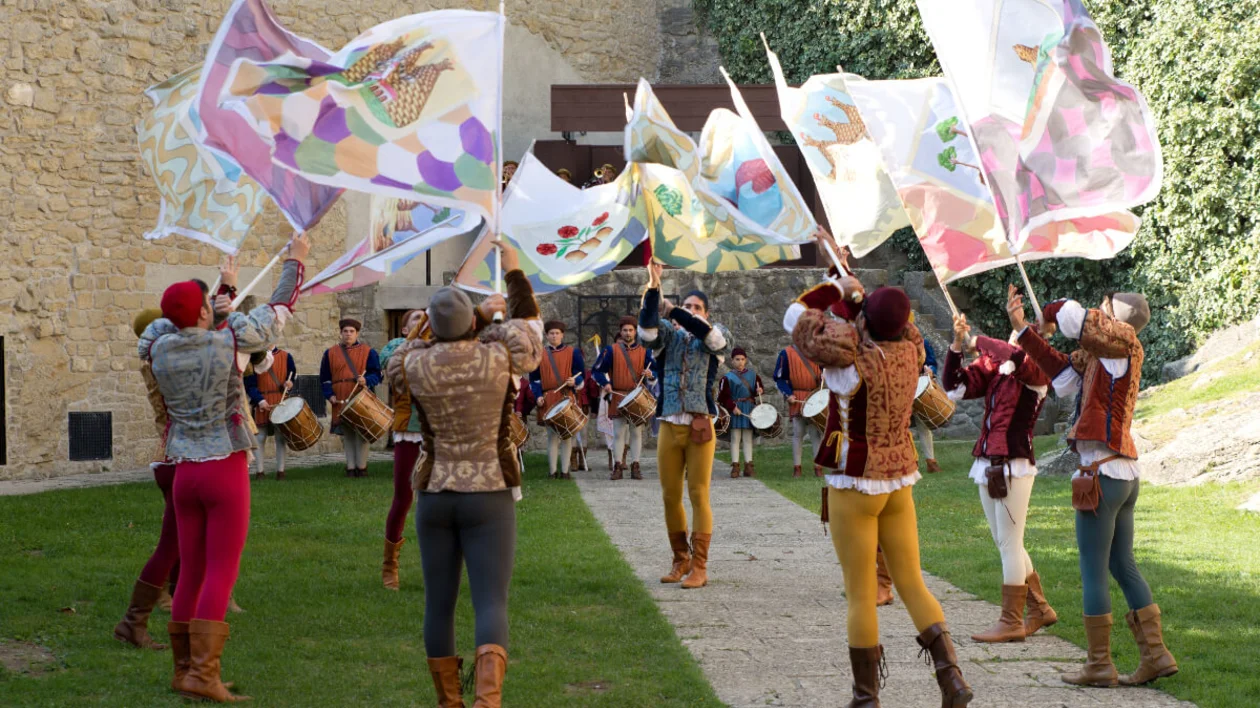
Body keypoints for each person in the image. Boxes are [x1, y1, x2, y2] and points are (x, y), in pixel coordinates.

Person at [785, 228, 972, 707]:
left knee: (860, 595)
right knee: (911, 581)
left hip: (855, 482)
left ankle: (866, 699)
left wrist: (836, 289)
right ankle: (952, 679)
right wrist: (846, 277)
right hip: (899, 479)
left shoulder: (849, 356)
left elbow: (800, 320)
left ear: (864, 320)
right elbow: (886, 319)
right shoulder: (910, 348)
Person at [138, 234, 309, 702]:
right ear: (202, 314)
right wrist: (295, 260)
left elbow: (161, 327)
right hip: (224, 467)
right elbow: (277, 311)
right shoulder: (229, 340)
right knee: (220, 571)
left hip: (184, 469)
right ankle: (203, 673)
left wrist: (220, 294)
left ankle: (183, 670)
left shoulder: (156, 348)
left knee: (190, 568)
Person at [387, 242, 543, 708]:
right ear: (474, 324)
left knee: (439, 603)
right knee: (490, 601)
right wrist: (512, 275)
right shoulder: (499, 357)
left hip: (434, 492)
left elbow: (410, 345)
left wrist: (461, 315)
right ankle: (487, 702)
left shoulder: (411, 363)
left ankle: (450, 702)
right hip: (490, 491)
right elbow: (528, 331)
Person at [1011, 286, 1177, 687]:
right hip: (1120, 473)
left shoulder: (1120, 341)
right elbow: (1066, 378)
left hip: (1101, 475)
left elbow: (1073, 316)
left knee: (1094, 572)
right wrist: (1026, 332)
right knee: (1122, 565)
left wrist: (1048, 314)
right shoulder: (1109, 354)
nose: (1097, 312)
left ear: (1113, 318)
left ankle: (1099, 665)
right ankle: (1156, 656)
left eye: (1103, 308)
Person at [942, 315, 1058, 643]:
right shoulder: (998, 367)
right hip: (988, 463)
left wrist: (977, 341)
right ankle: (1039, 610)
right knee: (1007, 542)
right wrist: (956, 345)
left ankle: (1011, 621)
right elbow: (953, 387)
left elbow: (1017, 357)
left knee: (1009, 543)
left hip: (1013, 465)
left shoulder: (1037, 371)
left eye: (1023, 333)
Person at [640, 263, 731, 590]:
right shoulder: (668, 333)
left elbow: (712, 338)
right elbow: (646, 330)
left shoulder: (716, 335)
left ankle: (701, 566)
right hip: (669, 421)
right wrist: (654, 286)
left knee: (698, 493)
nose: (690, 312)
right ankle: (681, 559)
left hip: (699, 423)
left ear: (705, 312)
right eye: (688, 306)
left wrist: (677, 309)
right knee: (669, 495)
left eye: (696, 307)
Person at [113, 308, 183, 652]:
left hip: (174, 455)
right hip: (179, 457)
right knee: (173, 543)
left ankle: (170, 611)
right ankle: (135, 620)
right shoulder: (165, 363)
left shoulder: (159, 359)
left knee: (181, 540)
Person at [377, 309, 432, 591]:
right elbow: (391, 365)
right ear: (403, 328)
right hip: (408, 430)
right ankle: (390, 565)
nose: (422, 322)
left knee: (439, 501)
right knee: (403, 497)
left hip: (438, 432)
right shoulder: (396, 347)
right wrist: (417, 333)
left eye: (426, 317)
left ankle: (439, 567)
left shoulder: (437, 347)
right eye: (415, 319)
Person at [592, 315, 657, 480]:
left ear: (635, 332)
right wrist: (605, 383)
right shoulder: (610, 350)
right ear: (620, 332)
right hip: (618, 395)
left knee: (636, 433)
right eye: (625, 330)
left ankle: (636, 465)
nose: (628, 333)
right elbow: (597, 371)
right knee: (618, 433)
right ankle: (618, 465)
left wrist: (650, 374)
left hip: (637, 396)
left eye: (631, 330)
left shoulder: (645, 352)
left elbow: (657, 371)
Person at [320, 318, 382, 478]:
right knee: (347, 433)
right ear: (340, 333)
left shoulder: (369, 352)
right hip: (340, 396)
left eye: (351, 332)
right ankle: (350, 467)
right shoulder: (330, 353)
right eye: (345, 331)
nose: (348, 334)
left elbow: (378, 374)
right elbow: (325, 378)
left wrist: (366, 380)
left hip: (361, 396)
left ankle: (362, 468)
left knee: (362, 432)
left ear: (357, 333)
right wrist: (329, 394)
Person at [529, 321, 585, 480]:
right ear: (546, 335)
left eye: (557, 333)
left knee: (567, 435)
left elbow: (581, 374)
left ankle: (565, 471)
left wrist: (575, 381)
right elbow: (534, 380)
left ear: (562, 335)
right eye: (551, 333)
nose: (554, 336)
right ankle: (552, 471)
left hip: (567, 396)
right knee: (552, 436)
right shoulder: (539, 354)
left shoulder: (573, 352)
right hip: (548, 398)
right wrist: (538, 395)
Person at [243, 345, 296, 481]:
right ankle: (260, 472)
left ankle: (281, 471)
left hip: (280, 401)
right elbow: (249, 384)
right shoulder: (252, 357)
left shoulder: (286, 356)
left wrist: (289, 384)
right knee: (260, 438)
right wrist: (259, 400)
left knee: (280, 437)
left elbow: (292, 376)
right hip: (262, 400)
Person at [774, 342, 824, 478]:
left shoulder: (818, 351)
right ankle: (797, 468)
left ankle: (818, 467)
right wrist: (788, 394)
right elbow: (779, 379)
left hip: (814, 397)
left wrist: (824, 378)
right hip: (797, 396)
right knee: (798, 433)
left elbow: (826, 371)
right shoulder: (786, 353)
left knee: (815, 434)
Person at [717, 348, 763, 478]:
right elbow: (722, 397)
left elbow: (756, 389)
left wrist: (760, 390)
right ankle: (735, 466)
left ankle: (749, 466)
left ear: (746, 360)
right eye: (737, 359)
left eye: (742, 359)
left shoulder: (753, 375)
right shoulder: (727, 378)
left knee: (748, 438)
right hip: (736, 409)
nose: (740, 362)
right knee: (735, 438)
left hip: (749, 408)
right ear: (732, 361)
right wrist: (732, 407)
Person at [913, 332, 942, 474]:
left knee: (923, 424)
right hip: (900, 390)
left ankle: (931, 461)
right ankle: (911, 461)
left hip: (919, 388)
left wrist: (931, 370)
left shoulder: (922, 342)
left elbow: (932, 363)